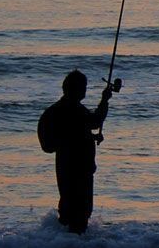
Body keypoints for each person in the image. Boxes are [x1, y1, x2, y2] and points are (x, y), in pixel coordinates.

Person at [38, 70, 111, 234]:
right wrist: (104, 100)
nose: (85, 90)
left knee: (67, 208)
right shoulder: (74, 109)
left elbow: (56, 140)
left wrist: (89, 137)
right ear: (76, 89)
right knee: (81, 211)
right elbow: (95, 121)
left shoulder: (55, 110)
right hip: (80, 168)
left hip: (63, 165)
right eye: (83, 87)